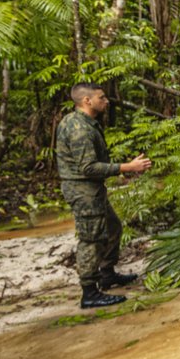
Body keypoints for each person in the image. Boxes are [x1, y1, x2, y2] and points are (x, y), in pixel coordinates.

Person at [56, 83, 152, 309]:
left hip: (90, 190)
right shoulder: (80, 128)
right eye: (102, 97)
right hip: (83, 191)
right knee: (92, 239)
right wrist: (127, 167)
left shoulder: (80, 122)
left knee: (113, 227)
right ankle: (89, 292)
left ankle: (107, 274)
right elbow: (88, 168)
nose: (106, 101)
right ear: (87, 101)